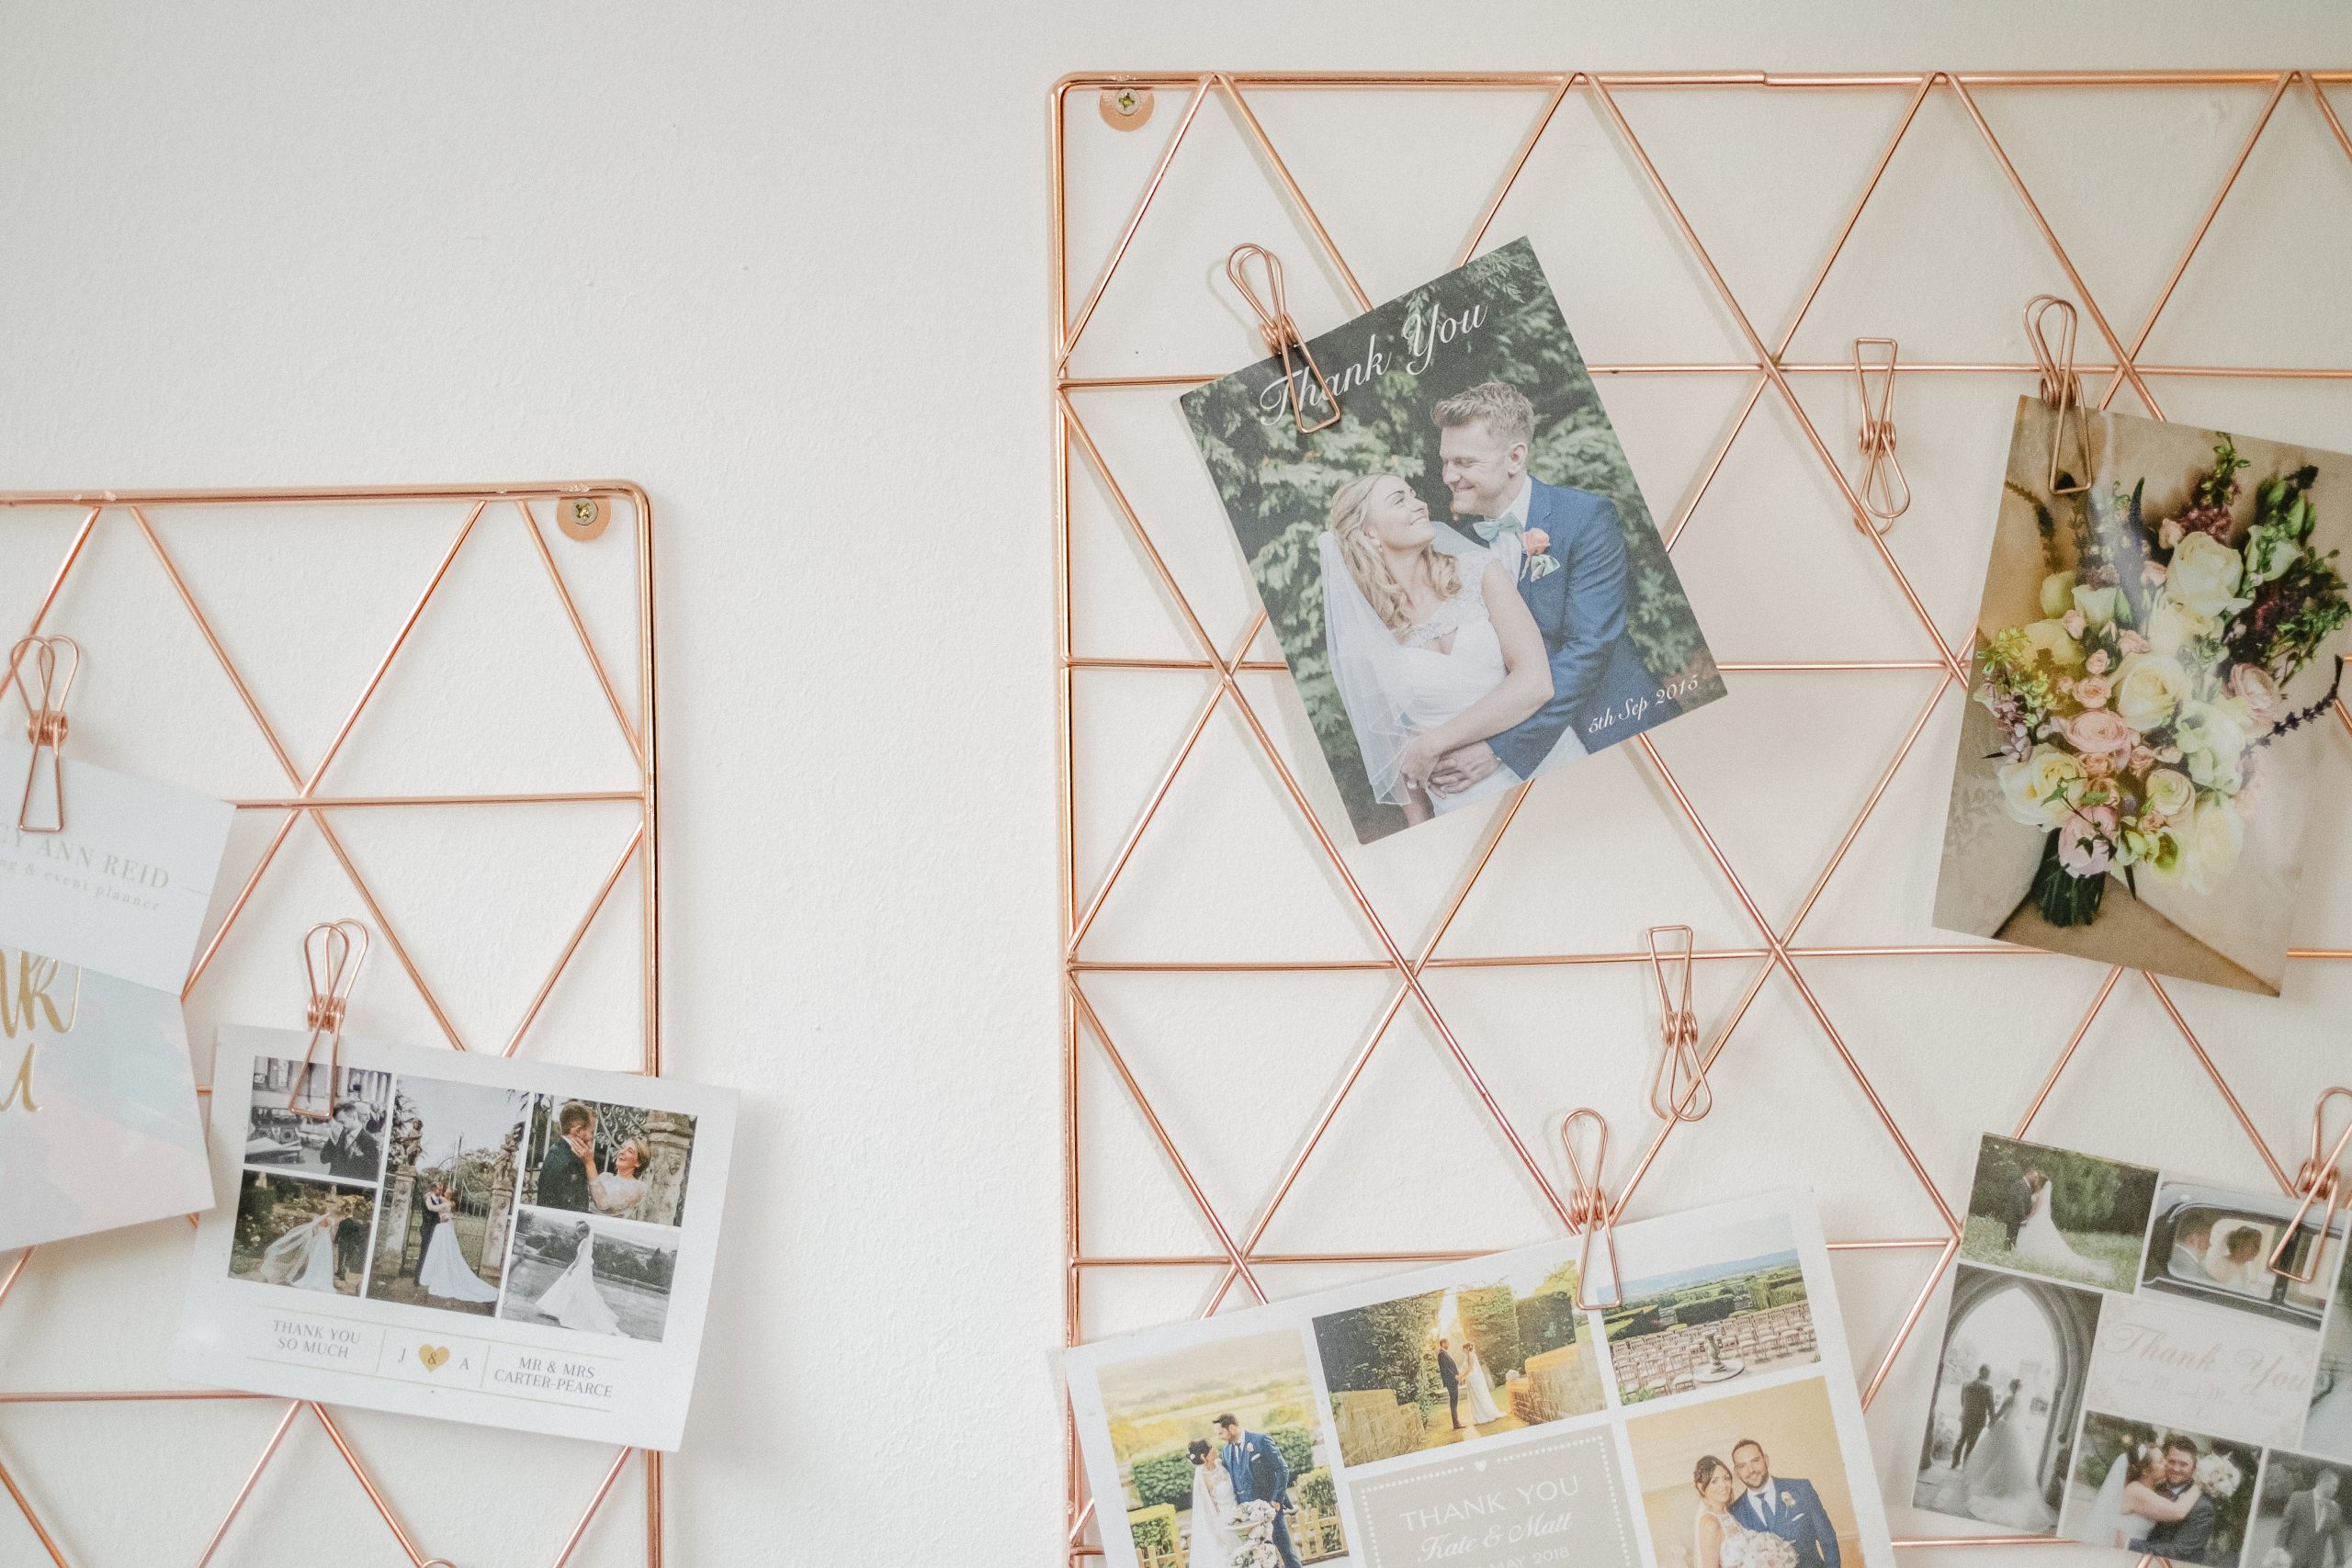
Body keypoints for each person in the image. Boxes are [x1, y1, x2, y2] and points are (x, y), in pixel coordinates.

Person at [1418, 380, 1667, 800]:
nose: (1448, 477)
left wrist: (1499, 747)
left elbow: (1588, 649)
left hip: (1614, 729)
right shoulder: (1459, 549)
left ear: (1515, 457)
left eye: (1463, 462)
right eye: (1445, 461)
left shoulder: (1585, 517)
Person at [1317, 473, 1555, 823]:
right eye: (1399, 500)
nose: (1420, 504)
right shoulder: (1361, 635)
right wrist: (1422, 828)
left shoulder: (1480, 573)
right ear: (1369, 532)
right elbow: (1392, 749)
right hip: (1461, 804)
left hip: (1544, 762)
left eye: (1414, 494)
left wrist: (1433, 743)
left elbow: (1536, 682)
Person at [1957, 1380, 2052, 1529]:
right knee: (2007, 1460)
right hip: (2015, 1432)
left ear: (2011, 1387)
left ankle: (1995, 1487)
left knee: (1995, 1458)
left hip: (2005, 1429)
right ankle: (2008, 1488)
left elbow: (2001, 1413)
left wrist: (1992, 1421)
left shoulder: (2009, 1399)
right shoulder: (2021, 1401)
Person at [1732, 1438, 1842, 1568]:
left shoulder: (1801, 1489)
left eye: (1755, 1461)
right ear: (1736, 1472)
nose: (1751, 1470)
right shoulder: (1734, 1512)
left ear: (1766, 1460)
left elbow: (1827, 1538)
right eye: (1742, 1466)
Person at [1216, 1414, 1301, 1568]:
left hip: (1270, 1510)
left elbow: (1282, 1469)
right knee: (1264, 1559)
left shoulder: (1260, 1440)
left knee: (1287, 1554)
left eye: (1221, 1433)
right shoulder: (1227, 1451)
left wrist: (1276, 1500)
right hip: (1247, 1518)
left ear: (1232, 1428)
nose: (1220, 1437)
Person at [2126, 1439, 2217, 1563]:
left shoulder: (2202, 1507)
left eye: (2184, 1464)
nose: (2176, 1468)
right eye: (2171, 1461)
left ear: (2194, 1468)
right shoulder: (2150, 1487)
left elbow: (2179, 1552)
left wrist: (2128, 1544)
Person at [2013, 1172, 2107, 1282]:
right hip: (2039, 1219)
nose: (2036, 1181)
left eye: (2037, 1180)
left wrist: (2027, 1218)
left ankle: (2032, 1255)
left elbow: (2035, 1210)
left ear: (2040, 1183)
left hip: (2036, 1219)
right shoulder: (2039, 1192)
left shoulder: (2041, 1194)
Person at [532, 1220, 621, 1335]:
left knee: (573, 1289)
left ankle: (566, 1312)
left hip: (579, 1268)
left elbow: (579, 1258)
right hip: (584, 1268)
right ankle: (562, 1311)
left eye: (579, 1234)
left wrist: (572, 1268)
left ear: (584, 1234)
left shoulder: (584, 1242)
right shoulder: (587, 1241)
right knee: (575, 1289)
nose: (577, 1236)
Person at [415, 1186, 500, 1303]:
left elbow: (431, 1207)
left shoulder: (447, 1203)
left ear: (450, 1195)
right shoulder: (447, 1202)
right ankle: (435, 1273)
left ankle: (439, 1275)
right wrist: (432, 1193)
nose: (445, 1191)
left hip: (443, 1230)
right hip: (443, 1229)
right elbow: (438, 1198)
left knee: (442, 1252)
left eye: (447, 1191)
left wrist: (428, 1196)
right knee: (438, 1252)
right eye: (445, 1190)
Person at [1186, 1438, 1246, 1565]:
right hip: (1225, 1520)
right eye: (1210, 1447)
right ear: (1203, 1456)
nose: (1214, 1448)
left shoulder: (1221, 1464)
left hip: (1241, 1512)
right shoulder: (1203, 1477)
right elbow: (1208, 1508)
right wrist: (1216, 1532)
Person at [257, 1207, 341, 1292]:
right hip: (326, 1241)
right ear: (326, 1212)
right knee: (325, 1260)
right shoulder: (331, 1220)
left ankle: (311, 1276)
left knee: (314, 1260)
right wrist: (332, 1241)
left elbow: (315, 1232)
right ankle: (323, 1278)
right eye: (328, 1211)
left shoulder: (317, 1219)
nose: (329, 1212)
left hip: (317, 1241)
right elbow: (332, 1233)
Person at [1693, 1454, 1755, 1568]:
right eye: (1714, 1481)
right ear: (1701, 1487)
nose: (1723, 1485)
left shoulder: (1727, 1514)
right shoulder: (1710, 1523)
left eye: (1726, 1478)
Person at [537, 1102, 598, 1213]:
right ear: (578, 1131)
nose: (593, 1136)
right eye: (591, 1132)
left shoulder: (560, 1149)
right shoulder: (566, 1160)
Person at [2277, 1469, 2342, 1568]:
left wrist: (2340, 1563)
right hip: (2291, 1561)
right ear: (2323, 1482)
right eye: (2334, 1485)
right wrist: (2278, 1554)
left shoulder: (2335, 1509)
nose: (2336, 1489)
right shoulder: (2298, 1498)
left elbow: (2337, 1538)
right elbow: (2284, 1528)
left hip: (2315, 1564)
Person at [321, 1100, 380, 1181]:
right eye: (339, 1122)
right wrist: (334, 1141)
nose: (368, 1118)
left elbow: (373, 1175)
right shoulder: (338, 1134)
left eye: (342, 1122)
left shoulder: (371, 1141)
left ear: (354, 1117)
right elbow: (323, 1159)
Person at [591, 1138, 650, 1221]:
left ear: (638, 1163)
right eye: (623, 1147)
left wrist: (589, 1163)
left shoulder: (639, 1187)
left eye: (630, 1151)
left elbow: (603, 1204)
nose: (622, 1152)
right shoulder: (604, 1176)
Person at [1953, 1365, 1997, 1471]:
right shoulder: (1987, 1388)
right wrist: (1993, 1420)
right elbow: (1991, 1406)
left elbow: (1962, 1402)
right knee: (1971, 1444)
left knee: (1961, 1439)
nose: (1989, 1375)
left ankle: (1954, 1462)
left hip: (1965, 1416)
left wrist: (1966, 1412)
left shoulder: (1966, 1384)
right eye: (1988, 1373)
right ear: (1984, 1373)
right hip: (1978, 1420)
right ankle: (1965, 1467)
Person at [1460, 1340, 1506, 1426]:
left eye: (1463, 1349)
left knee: (1479, 1395)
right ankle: (1478, 1415)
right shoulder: (1467, 1356)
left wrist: (1461, 1376)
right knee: (1475, 1397)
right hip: (1470, 1378)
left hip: (1474, 1378)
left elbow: (1470, 1368)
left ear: (1466, 1348)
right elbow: (1466, 1367)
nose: (1463, 1351)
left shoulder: (1471, 1355)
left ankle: (1485, 1414)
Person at [2004, 1169, 2037, 1248]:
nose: (2036, 1179)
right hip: (2014, 1216)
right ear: (2029, 1175)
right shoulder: (2020, 1184)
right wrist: (2023, 1218)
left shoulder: (2026, 1186)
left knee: (2012, 1237)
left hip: (2017, 1216)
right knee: (2012, 1237)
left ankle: (2008, 1250)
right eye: (2035, 1177)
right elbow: (2018, 1202)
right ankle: (2007, 1251)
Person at [1436, 1337, 1464, 1429]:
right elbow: (1446, 1369)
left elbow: (1451, 1366)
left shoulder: (1444, 1354)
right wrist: (1454, 1376)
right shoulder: (1441, 1354)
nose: (1449, 1345)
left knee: (1454, 1401)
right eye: (1448, 1343)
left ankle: (1456, 1422)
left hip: (1452, 1381)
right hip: (1450, 1381)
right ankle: (1456, 1423)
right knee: (1453, 1401)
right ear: (1443, 1344)